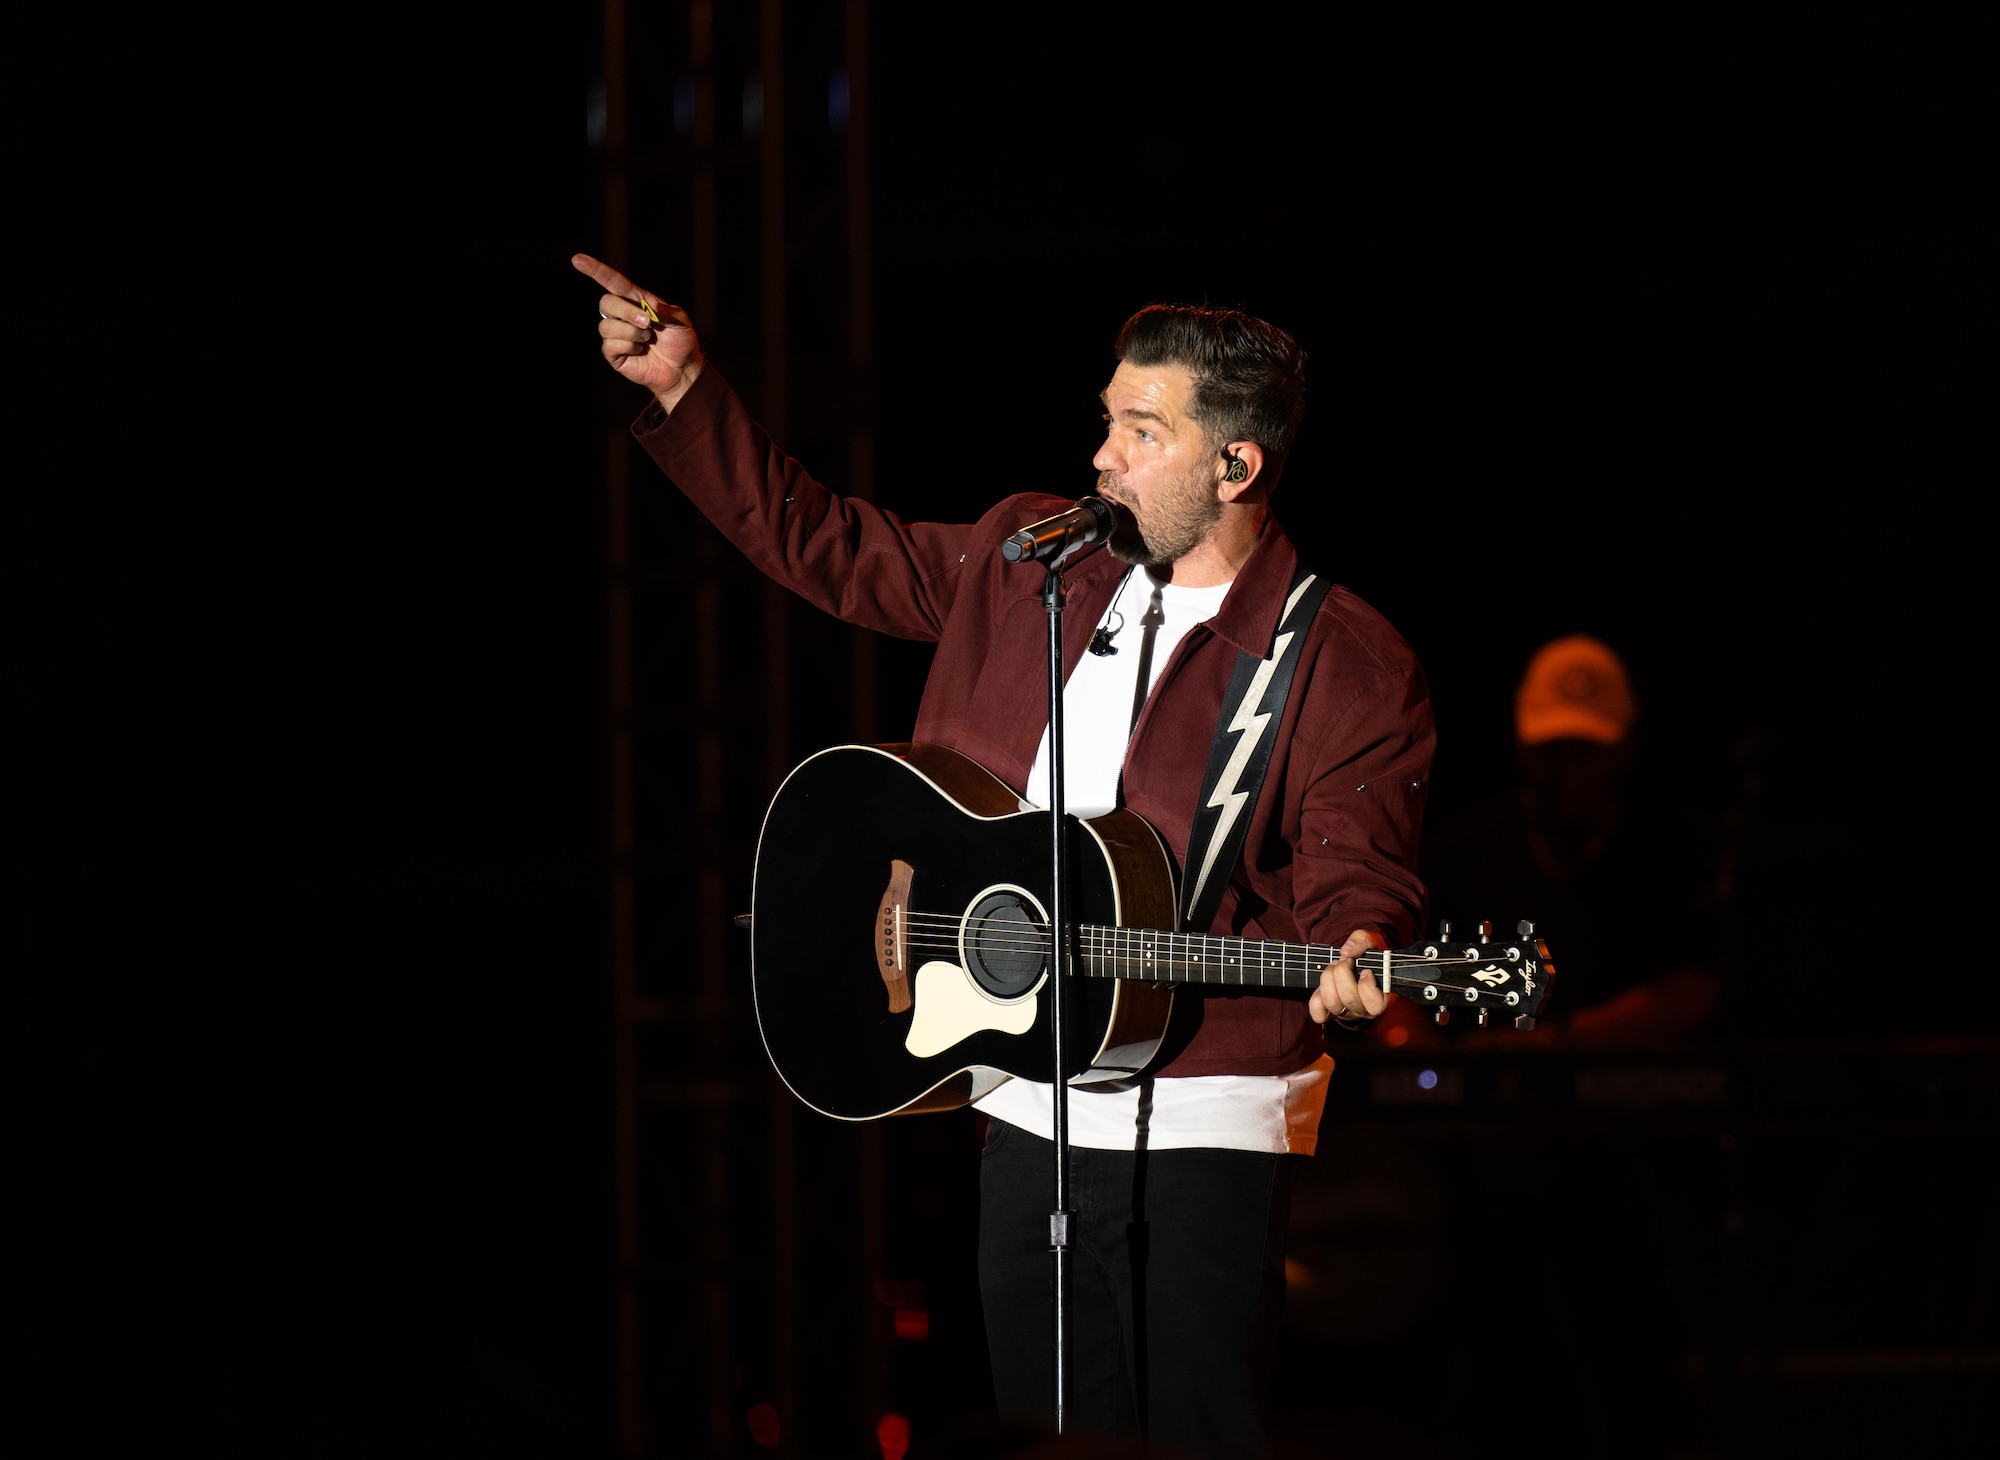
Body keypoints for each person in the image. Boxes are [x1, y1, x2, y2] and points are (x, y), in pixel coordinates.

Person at [574, 254, 1434, 1457]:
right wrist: (689, 392)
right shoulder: (1034, 557)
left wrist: (1358, 950)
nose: (1103, 458)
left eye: (1141, 431)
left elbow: (1358, 865)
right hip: (1025, 1075)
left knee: (1191, 1427)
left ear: (1233, 464)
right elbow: (830, 545)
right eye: (1105, 423)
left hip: (1210, 1096)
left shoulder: (1339, 654)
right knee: (1047, 1424)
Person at [1389, 634, 1723, 1051]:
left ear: (1626, 748)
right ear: (1521, 745)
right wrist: (1415, 1057)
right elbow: (1392, 971)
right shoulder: (1462, 852)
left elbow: (1696, 991)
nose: (1570, 774)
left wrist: (1554, 1046)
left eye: (1586, 752)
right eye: (1552, 753)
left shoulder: (1671, 852)